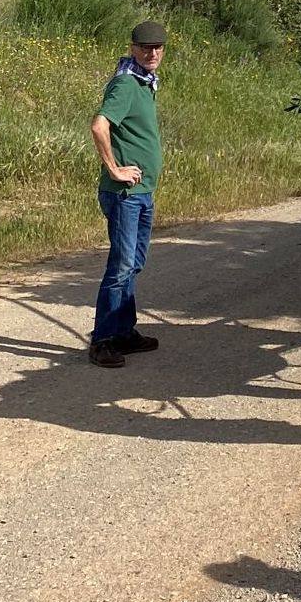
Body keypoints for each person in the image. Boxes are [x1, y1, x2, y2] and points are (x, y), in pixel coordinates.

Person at [88, 21, 167, 368]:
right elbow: (99, 125)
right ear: (133, 47)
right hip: (124, 194)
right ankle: (103, 340)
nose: (152, 53)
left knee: (133, 264)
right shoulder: (124, 83)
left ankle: (124, 332)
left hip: (142, 192)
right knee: (121, 267)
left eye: (158, 47)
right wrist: (114, 169)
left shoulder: (144, 83)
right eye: (145, 47)